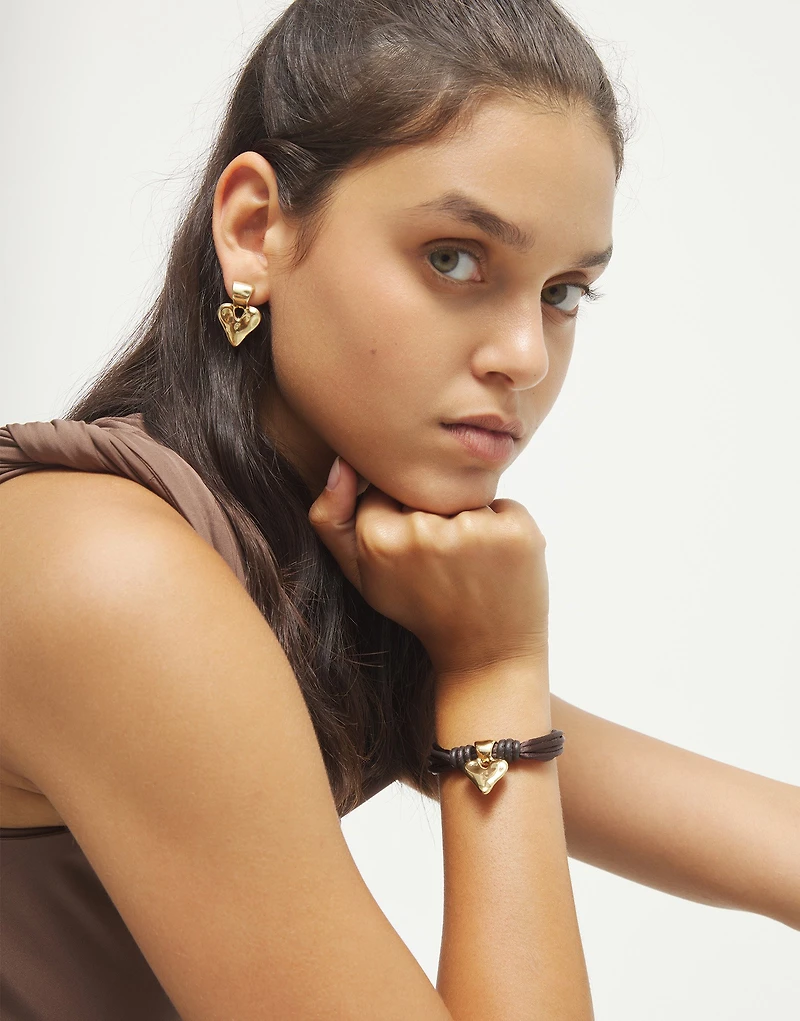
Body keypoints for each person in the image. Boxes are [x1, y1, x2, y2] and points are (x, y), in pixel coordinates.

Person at [1, 1, 797, 1019]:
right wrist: (495, 673)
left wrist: (478, 672)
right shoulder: (113, 574)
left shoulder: (312, 562)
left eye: (562, 291)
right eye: (453, 257)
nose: (524, 355)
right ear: (255, 230)